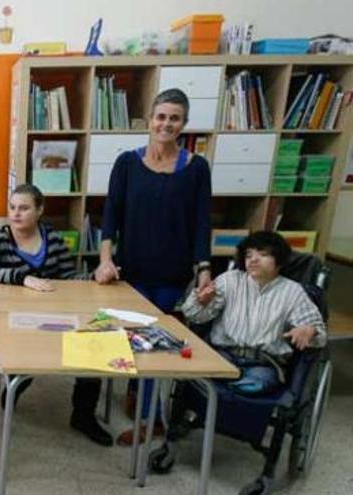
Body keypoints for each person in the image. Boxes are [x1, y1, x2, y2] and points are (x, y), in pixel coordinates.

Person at [94, 88, 212, 446]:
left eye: (175, 118)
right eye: (161, 116)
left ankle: (149, 421)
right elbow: (110, 215)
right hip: (131, 272)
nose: (166, 124)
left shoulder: (196, 168)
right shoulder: (127, 163)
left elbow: (201, 223)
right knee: (126, 339)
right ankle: (138, 394)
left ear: (184, 124)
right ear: (150, 121)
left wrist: (204, 270)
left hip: (172, 275)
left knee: (153, 348)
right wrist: (104, 260)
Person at [0, 184, 112, 446]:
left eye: (24, 208)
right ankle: (16, 380)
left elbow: (68, 279)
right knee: (29, 353)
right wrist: (21, 277)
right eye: (12, 207)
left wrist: (94, 278)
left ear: (39, 210)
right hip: (15, 320)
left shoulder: (54, 239)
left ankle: (83, 416)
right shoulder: (0, 239)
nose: (16, 214)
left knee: (93, 346)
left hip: (55, 313)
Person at [181, 231, 326, 392]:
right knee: (198, 372)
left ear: (279, 261)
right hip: (224, 354)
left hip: (264, 363)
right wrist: (201, 303)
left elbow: (319, 334)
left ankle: (233, 391)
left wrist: (310, 330)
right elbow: (193, 316)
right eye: (249, 256)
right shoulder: (230, 280)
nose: (253, 260)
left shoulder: (293, 292)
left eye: (263, 255)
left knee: (254, 385)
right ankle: (228, 389)